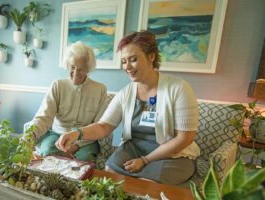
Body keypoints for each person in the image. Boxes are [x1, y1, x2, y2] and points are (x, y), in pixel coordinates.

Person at [55, 31, 200, 185]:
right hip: (135, 149)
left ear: (151, 57)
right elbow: (104, 126)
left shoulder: (179, 88)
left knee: (146, 184)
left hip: (172, 154)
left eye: (133, 59)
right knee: (109, 173)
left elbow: (185, 138)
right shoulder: (126, 93)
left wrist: (145, 160)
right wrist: (76, 133)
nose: (127, 67)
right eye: (124, 61)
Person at [23, 41, 108, 161]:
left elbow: (98, 125)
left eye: (81, 69)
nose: (76, 73)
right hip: (57, 135)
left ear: (88, 69)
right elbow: (44, 117)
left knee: (84, 161)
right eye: (72, 67)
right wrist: (31, 133)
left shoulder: (100, 89)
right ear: (67, 65)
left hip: (85, 139)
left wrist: (77, 145)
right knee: (47, 153)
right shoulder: (57, 85)